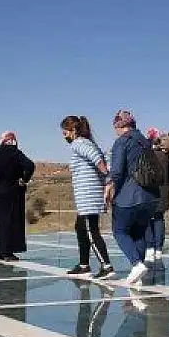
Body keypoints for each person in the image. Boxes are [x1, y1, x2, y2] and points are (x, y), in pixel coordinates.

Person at [106, 110, 160, 287]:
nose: (115, 130)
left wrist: (109, 186)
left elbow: (117, 171)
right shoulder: (145, 141)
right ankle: (138, 273)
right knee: (139, 231)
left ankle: (136, 264)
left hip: (130, 196)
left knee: (120, 231)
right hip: (151, 196)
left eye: (115, 126)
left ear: (121, 126)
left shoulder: (122, 142)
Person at [60, 116, 115, 278]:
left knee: (91, 231)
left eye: (65, 131)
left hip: (89, 196)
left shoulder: (80, 143)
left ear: (74, 131)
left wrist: (109, 179)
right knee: (80, 227)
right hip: (87, 195)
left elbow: (99, 161)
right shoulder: (86, 143)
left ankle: (107, 266)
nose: (64, 135)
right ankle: (84, 264)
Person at [0, 132, 35, 261]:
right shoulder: (15, 153)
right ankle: (8, 252)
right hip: (12, 192)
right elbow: (30, 165)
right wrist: (24, 180)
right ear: (11, 141)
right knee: (10, 222)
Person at [143, 128, 169, 265]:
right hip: (164, 191)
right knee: (159, 219)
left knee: (147, 219)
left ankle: (150, 247)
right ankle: (158, 248)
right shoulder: (166, 155)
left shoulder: (147, 155)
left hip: (150, 191)